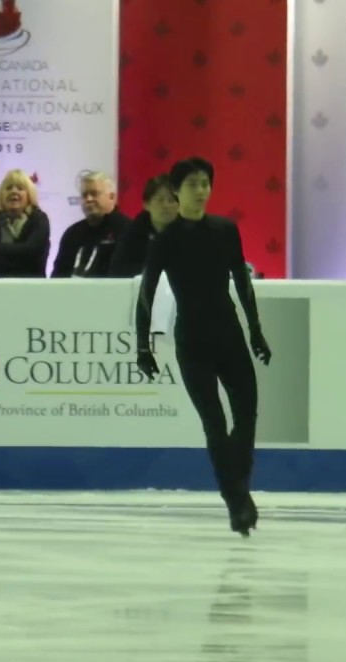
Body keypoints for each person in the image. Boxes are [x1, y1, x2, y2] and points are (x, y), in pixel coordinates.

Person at [134, 157, 271, 536]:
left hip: (230, 337)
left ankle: (238, 492)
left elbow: (242, 283)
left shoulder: (226, 230)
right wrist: (142, 347)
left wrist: (255, 331)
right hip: (192, 342)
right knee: (215, 424)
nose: (201, 190)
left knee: (246, 421)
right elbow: (146, 296)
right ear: (177, 192)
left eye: (206, 183)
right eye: (193, 184)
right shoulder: (166, 240)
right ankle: (236, 502)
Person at [0, 169, 52, 278]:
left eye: (20, 188)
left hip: (30, 289)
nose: (14, 191)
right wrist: (20, 259)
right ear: (1, 195)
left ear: (29, 195)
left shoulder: (39, 220)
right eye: (8, 188)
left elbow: (33, 256)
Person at [110, 174, 180, 278]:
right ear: (146, 204)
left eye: (171, 200)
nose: (166, 205)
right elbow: (118, 269)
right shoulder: (133, 232)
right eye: (160, 200)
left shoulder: (189, 230)